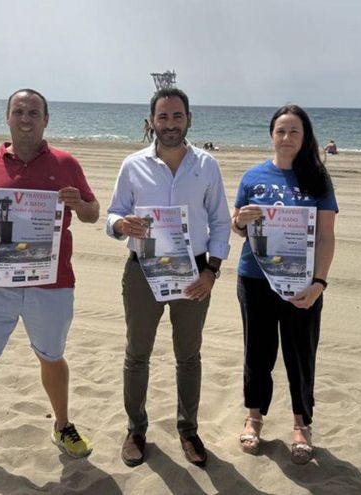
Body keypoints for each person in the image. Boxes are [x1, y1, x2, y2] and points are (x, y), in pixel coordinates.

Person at [0, 88, 100, 474]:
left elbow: (93, 213)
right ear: (8, 118)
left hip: (53, 283)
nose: (26, 119)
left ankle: (62, 426)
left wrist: (79, 205)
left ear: (46, 120)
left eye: (34, 112)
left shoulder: (66, 163)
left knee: (51, 355)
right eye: (19, 112)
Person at [106, 88, 231, 468]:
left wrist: (212, 271)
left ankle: (188, 430)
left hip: (194, 272)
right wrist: (121, 225)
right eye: (163, 117)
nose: (170, 124)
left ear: (189, 119)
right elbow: (112, 215)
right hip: (142, 269)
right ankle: (136, 428)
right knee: (136, 354)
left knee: (189, 356)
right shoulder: (132, 165)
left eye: (177, 116)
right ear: (151, 122)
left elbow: (221, 222)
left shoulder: (206, 165)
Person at [231, 104, 338, 465]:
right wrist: (239, 219)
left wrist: (319, 283)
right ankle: (254, 417)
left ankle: (301, 424)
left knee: (300, 355)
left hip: (301, 284)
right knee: (257, 353)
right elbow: (237, 226)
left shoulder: (318, 180)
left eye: (294, 131)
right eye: (281, 131)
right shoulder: (253, 177)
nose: (287, 137)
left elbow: (326, 237)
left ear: (304, 136)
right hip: (255, 278)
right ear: (271, 135)